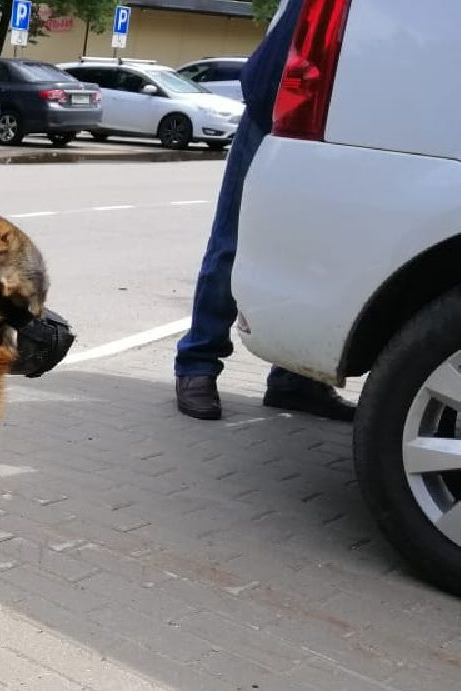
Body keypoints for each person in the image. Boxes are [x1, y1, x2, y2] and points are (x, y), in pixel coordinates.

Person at [173, 0, 354, 423]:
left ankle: (294, 382)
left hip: (345, 125)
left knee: (317, 256)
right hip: (276, 108)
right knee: (233, 243)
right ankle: (197, 363)